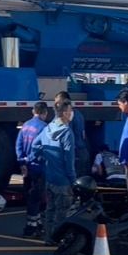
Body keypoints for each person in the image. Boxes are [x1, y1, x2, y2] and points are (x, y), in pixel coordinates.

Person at [32, 98, 76, 244]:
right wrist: (72, 179)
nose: (72, 113)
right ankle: (60, 240)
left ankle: (49, 238)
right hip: (63, 179)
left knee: (50, 210)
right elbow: (69, 160)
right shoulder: (67, 133)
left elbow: (35, 145)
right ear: (64, 113)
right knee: (63, 213)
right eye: (70, 111)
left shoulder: (48, 128)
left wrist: (42, 157)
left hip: (50, 177)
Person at [15, 101, 50, 237]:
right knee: (37, 198)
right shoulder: (44, 128)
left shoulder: (25, 125)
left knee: (30, 196)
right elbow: (41, 148)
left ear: (33, 111)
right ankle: (31, 227)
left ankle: (37, 223)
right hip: (38, 167)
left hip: (26, 168)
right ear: (45, 113)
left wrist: (22, 162)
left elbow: (18, 145)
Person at [54, 91, 88, 179]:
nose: (56, 106)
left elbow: (65, 136)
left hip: (74, 153)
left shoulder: (67, 116)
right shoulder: (79, 114)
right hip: (82, 151)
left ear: (65, 101)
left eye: (58, 103)